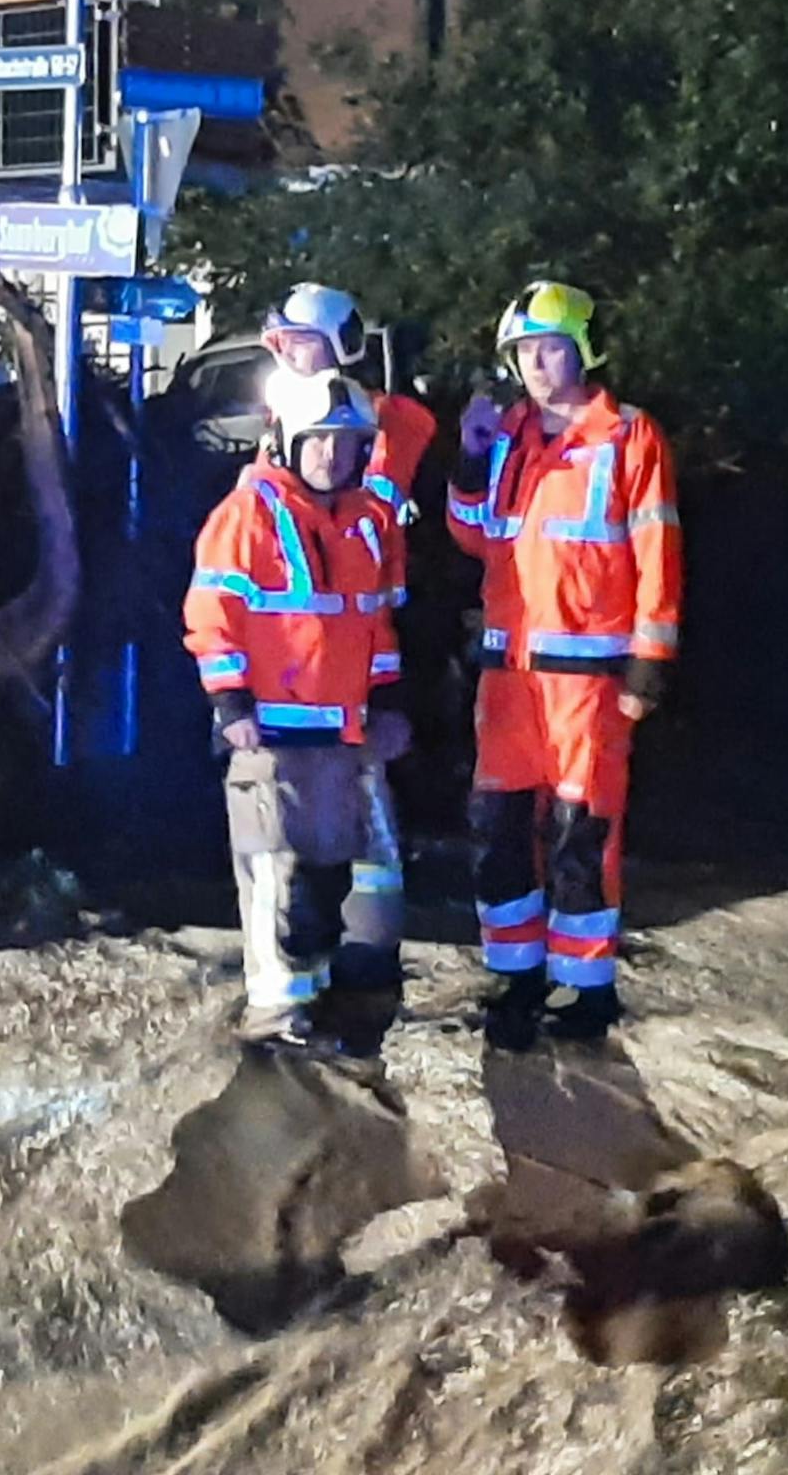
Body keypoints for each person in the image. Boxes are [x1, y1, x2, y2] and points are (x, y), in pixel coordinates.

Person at [447, 281, 682, 1046]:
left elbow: (656, 552)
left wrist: (651, 659)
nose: (537, 364)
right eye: (523, 351)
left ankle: (584, 991)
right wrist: (471, 460)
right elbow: (473, 535)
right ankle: (514, 976)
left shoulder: (629, 438)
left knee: (583, 832)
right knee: (499, 827)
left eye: (549, 348)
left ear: (583, 349)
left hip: (590, 678)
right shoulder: (509, 433)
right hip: (509, 677)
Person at [184, 368, 410, 1052]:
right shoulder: (246, 517)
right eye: (319, 443)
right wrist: (230, 703)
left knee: (322, 876)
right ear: (285, 440)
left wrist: (387, 704)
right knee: (273, 877)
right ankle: (275, 1013)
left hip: (339, 731)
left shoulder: (364, 525)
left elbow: (374, 628)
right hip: (268, 729)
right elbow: (209, 615)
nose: (332, 457)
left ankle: (307, 1005)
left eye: (345, 445)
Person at [258, 284, 437, 1030]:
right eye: (284, 344)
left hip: (368, 643)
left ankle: (367, 953)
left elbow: (370, 529)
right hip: (303, 667)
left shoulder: (380, 425)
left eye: (302, 343)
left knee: (366, 807)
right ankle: (319, 959)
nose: (289, 354)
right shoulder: (287, 421)